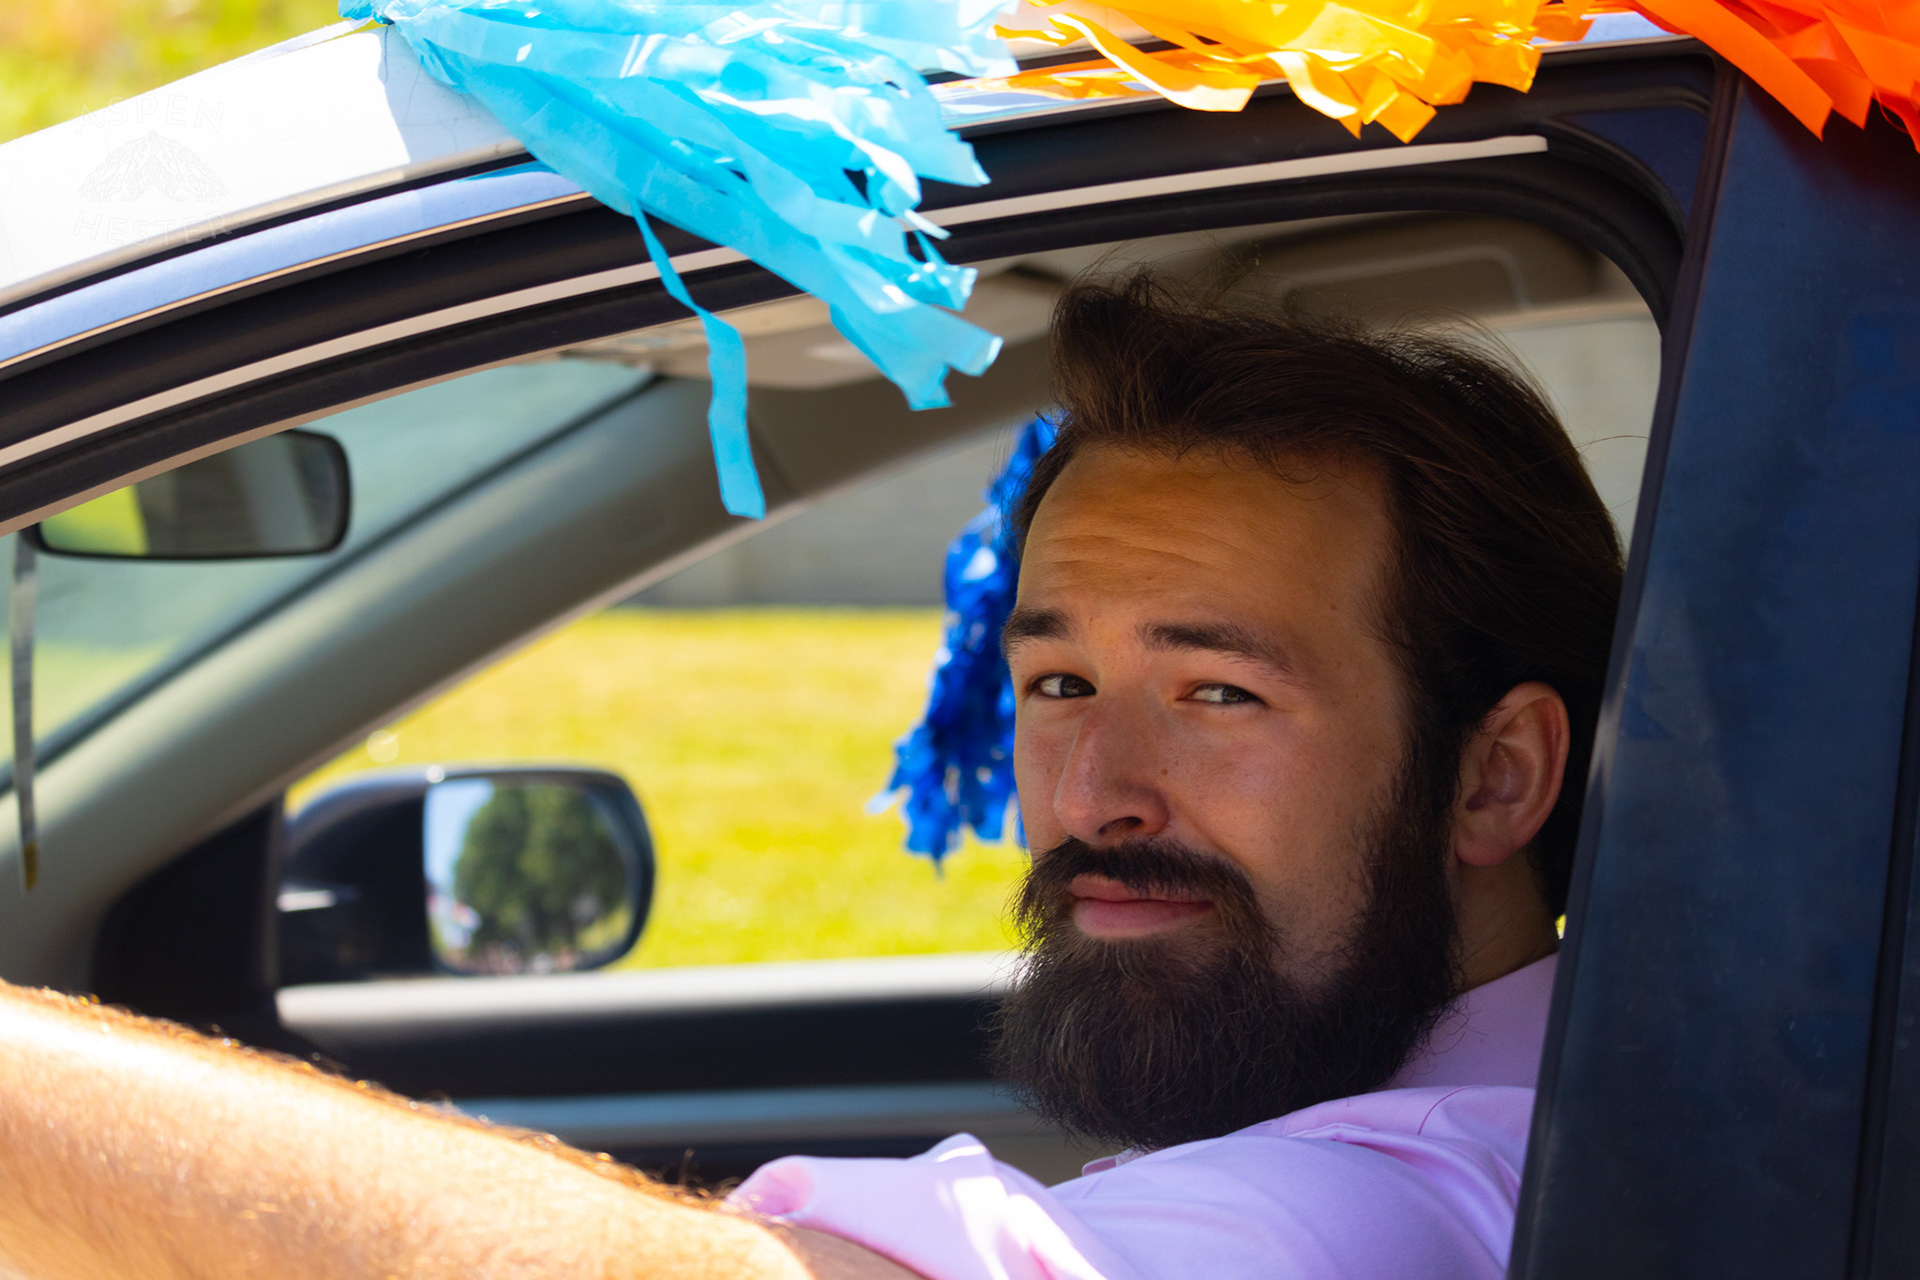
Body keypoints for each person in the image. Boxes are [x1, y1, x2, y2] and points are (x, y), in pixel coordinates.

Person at [0, 273, 1622, 1279]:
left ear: (1496, 780)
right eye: (1058, 682)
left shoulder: (1442, 1203)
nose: (1096, 793)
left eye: (1218, 691)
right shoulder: (1476, 1111)